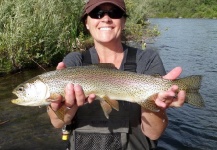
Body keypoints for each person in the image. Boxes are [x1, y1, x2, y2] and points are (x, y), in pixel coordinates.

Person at [47, 0, 186, 149]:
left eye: (114, 13)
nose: (105, 18)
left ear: (124, 21)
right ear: (86, 23)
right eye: (97, 13)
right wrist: (66, 105)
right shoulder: (75, 61)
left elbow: (154, 134)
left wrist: (155, 104)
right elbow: (57, 122)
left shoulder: (147, 60)